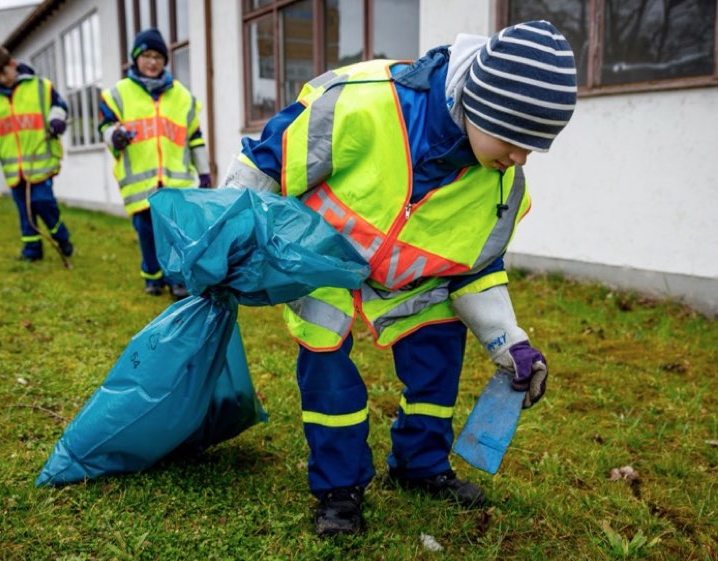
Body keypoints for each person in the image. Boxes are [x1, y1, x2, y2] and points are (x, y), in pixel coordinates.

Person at [222, 21, 577, 535]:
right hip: (324, 267)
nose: (521, 157)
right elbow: (265, 164)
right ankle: (339, 489)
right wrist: (226, 239)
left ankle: (420, 465)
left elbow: (476, 269)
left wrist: (510, 342)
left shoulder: (502, 186)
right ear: (480, 106)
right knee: (328, 371)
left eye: (535, 147)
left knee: (438, 357)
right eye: (514, 138)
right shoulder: (361, 102)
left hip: (413, 284)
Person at [98, 28, 211, 300]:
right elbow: (104, 127)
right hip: (139, 182)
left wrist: (205, 172)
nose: (152, 62)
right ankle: (152, 278)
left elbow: (195, 138)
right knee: (146, 232)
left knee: (175, 234)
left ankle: (177, 281)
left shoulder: (182, 97)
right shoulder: (118, 94)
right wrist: (115, 136)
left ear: (165, 61)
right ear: (135, 59)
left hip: (176, 182)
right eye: (146, 56)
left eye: (158, 56)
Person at [0, 46, 73, 262]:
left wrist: (56, 120)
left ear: (12, 64)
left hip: (40, 163)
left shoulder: (40, 87)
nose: (2, 79)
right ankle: (32, 251)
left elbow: (59, 107)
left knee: (43, 203)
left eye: (4, 72)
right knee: (24, 211)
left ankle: (61, 237)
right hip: (14, 169)